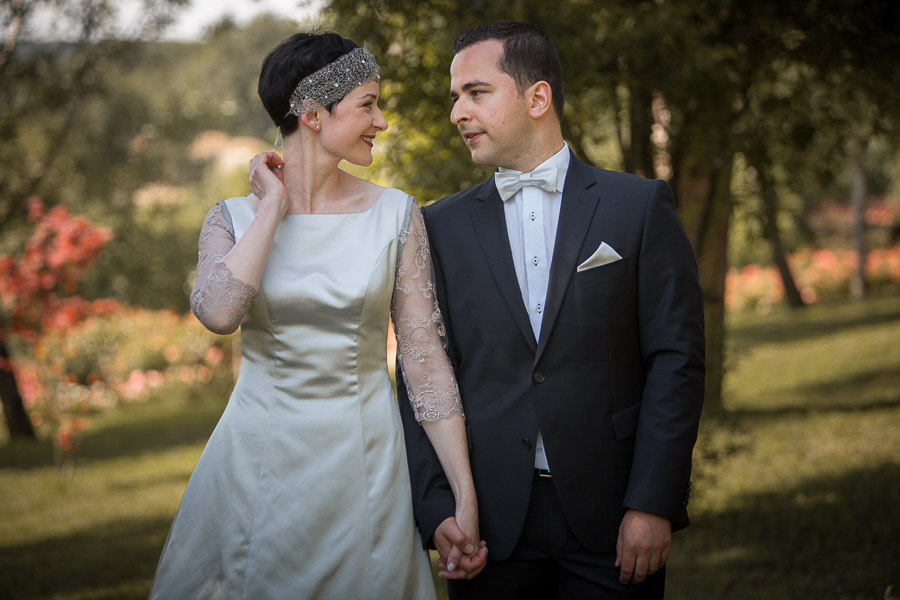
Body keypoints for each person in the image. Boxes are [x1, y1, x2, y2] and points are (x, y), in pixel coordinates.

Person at [149, 31, 485, 600]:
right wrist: (274, 208)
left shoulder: (396, 215)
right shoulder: (231, 218)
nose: (381, 121)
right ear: (311, 113)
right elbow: (219, 312)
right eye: (367, 105)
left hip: (365, 460)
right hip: (257, 458)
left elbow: (426, 364)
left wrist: (464, 495)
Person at [397, 21, 705, 599]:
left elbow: (676, 359)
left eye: (477, 93)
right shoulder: (435, 228)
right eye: (454, 97)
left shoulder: (637, 207)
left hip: (613, 515)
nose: (458, 112)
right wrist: (438, 506)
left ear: (537, 97)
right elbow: (420, 372)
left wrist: (652, 502)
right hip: (487, 526)